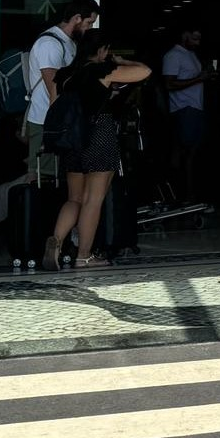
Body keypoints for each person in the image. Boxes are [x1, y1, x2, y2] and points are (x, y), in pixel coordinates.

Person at [40, 31, 151, 270]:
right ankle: (84, 255)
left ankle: (57, 240)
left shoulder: (64, 75)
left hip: (71, 140)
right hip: (99, 133)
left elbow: (53, 106)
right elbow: (145, 72)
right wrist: (121, 62)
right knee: (93, 200)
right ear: (102, 50)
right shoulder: (101, 71)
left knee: (74, 198)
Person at [25, 0, 101, 179]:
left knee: (57, 178)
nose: (89, 28)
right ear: (77, 18)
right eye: (89, 23)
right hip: (48, 121)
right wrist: (58, 128)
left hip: (58, 122)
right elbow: (54, 87)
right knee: (43, 178)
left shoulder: (68, 42)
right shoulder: (50, 44)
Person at [162, 25, 212, 200]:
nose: (198, 42)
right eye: (195, 37)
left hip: (195, 108)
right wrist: (199, 78)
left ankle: (189, 191)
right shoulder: (173, 55)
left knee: (192, 152)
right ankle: (181, 192)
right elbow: (169, 84)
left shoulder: (190, 54)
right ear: (184, 35)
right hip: (183, 109)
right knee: (184, 151)